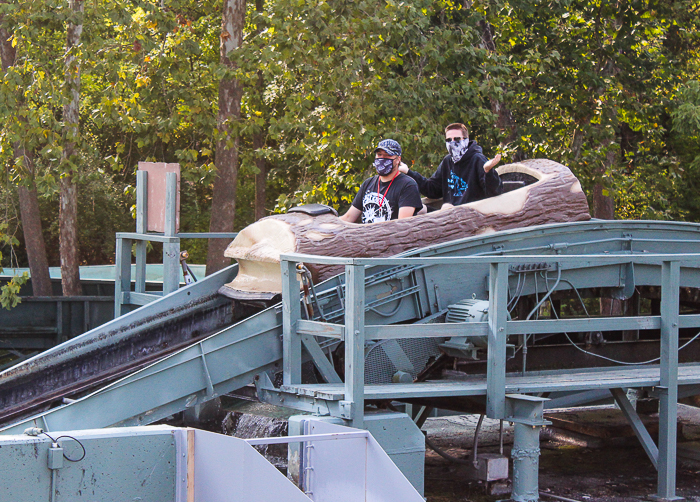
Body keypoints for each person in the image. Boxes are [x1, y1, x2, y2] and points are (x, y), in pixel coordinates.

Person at [399, 123, 503, 210]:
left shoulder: (477, 159)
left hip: (474, 213)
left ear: (466, 140)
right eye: (448, 140)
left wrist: (488, 171)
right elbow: (432, 190)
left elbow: (494, 192)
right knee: (419, 208)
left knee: (446, 207)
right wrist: (408, 172)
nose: (452, 143)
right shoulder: (447, 161)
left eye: (457, 139)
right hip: (450, 217)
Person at [340, 139, 423, 224]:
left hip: (390, 236)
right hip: (365, 235)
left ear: (398, 159)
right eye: (379, 155)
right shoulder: (368, 183)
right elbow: (349, 217)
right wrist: (329, 223)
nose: (382, 159)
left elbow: (402, 225)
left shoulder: (408, 185)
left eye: (387, 155)